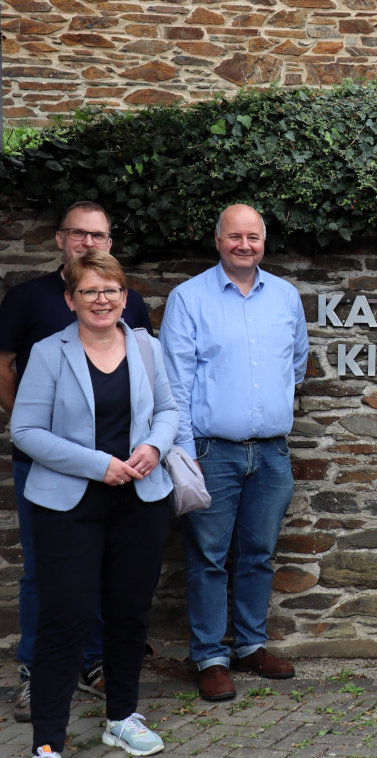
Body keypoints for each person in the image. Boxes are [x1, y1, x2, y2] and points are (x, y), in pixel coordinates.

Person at [10, 250, 176, 758]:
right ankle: (47, 740)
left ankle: (121, 717)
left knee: (128, 615)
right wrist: (96, 464)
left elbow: (171, 410)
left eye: (111, 290)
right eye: (89, 291)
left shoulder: (147, 346)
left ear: (125, 297)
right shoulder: (48, 352)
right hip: (69, 505)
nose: (101, 300)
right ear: (71, 299)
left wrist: (153, 447)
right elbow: (25, 431)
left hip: (140, 500)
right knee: (67, 618)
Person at [0, 202, 153, 721]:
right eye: (80, 234)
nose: (90, 243)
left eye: (100, 235)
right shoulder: (29, 305)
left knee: (120, 596)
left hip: (132, 484)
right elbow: (14, 396)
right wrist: (52, 437)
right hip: (54, 472)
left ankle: (103, 681)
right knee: (52, 584)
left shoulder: (139, 330)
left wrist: (152, 446)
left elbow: (165, 405)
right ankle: (37, 687)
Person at [160, 203, 308, 703]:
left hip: (271, 453)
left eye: (254, 237)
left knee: (259, 555)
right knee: (206, 558)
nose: (244, 245)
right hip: (211, 452)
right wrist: (184, 452)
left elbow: (297, 365)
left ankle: (249, 646)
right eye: (234, 237)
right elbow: (174, 385)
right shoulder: (189, 298)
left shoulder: (286, 297)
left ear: (264, 242)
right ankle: (209, 657)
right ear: (218, 240)